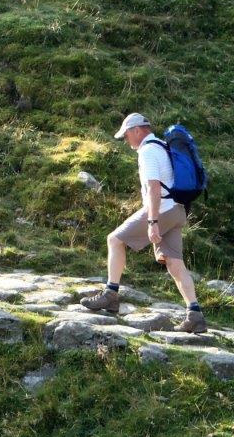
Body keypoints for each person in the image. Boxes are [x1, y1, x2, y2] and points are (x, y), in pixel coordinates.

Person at [80, 112, 207, 333]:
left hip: (162, 210)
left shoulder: (148, 151)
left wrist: (152, 222)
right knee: (174, 263)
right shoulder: (162, 146)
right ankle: (195, 314)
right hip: (178, 210)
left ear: (137, 130)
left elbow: (154, 189)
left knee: (115, 240)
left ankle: (110, 295)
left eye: (126, 135)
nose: (126, 140)